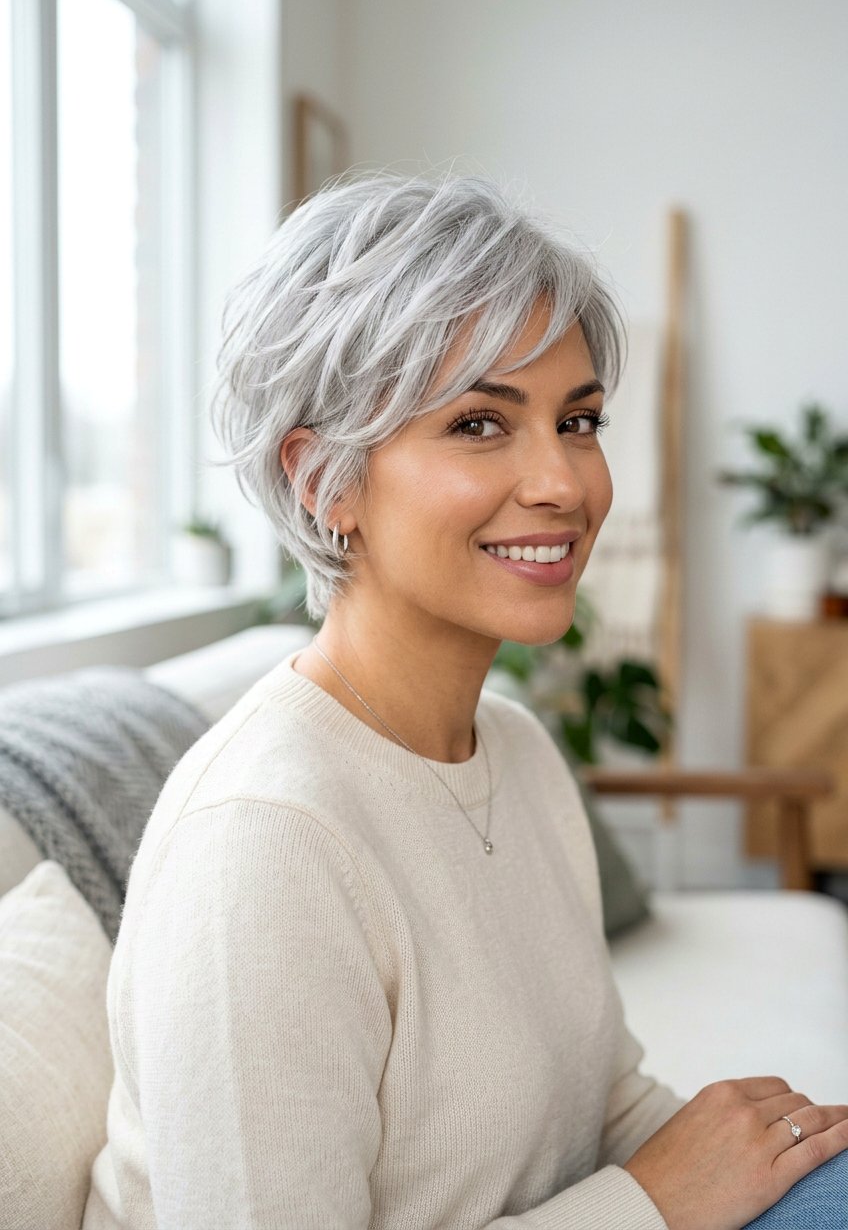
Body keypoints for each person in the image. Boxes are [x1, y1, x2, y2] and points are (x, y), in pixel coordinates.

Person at [83, 170, 848, 1229]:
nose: (565, 484)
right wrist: (652, 1204)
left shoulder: (519, 752)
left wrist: (775, 1164)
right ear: (322, 481)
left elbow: (597, 1100)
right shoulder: (261, 844)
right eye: (481, 424)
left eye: (576, 420)